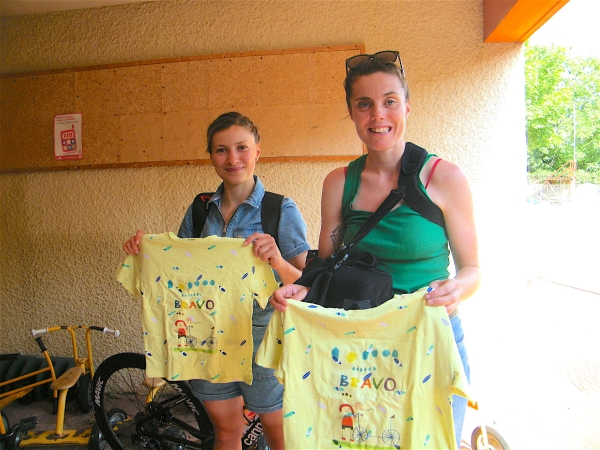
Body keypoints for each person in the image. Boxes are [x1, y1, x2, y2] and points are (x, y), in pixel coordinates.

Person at [270, 51, 481, 447]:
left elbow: (472, 269)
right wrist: (303, 290)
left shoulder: (444, 177)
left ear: (407, 107)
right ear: (351, 113)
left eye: (389, 101)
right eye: (363, 104)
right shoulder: (338, 182)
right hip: (357, 342)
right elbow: (329, 266)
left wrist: (459, 289)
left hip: (427, 335)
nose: (377, 115)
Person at [123, 111, 310, 450]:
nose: (233, 158)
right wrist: (143, 252)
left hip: (262, 342)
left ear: (257, 152)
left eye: (242, 147)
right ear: (210, 156)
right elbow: (177, 268)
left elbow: (307, 283)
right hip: (204, 337)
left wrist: (278, 261)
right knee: (226, 433)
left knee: (280, 435)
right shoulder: (199, 209)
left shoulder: (279, 209)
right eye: (221, 150)